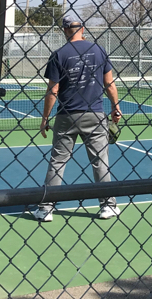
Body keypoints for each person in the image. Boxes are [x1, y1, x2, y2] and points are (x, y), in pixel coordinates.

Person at [32, 14, 122, 222]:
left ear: (64, 30)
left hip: (66, 116)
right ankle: (107, 206)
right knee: (100, 161)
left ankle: (46, 209)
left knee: (58, 161)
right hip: (95, 115)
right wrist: (115, 107)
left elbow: (53, 90)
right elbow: (110, 83)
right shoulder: (98, 50)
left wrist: (45, 118)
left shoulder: (59, 54)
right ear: (82, 28)